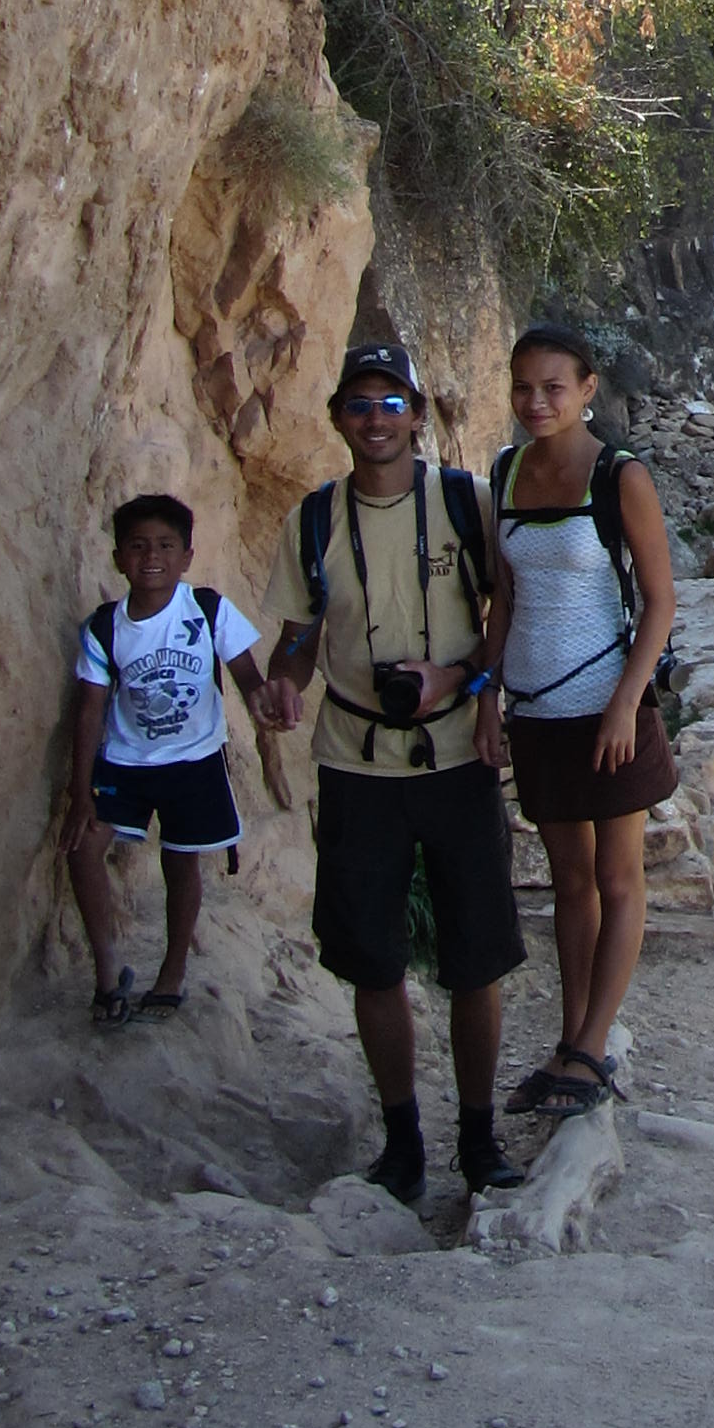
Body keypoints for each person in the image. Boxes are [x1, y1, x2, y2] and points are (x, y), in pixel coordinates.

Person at [255, 340, 526, 1204]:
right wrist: (284, 688)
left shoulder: (463, 502)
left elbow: (507, 607)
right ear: (336, 417)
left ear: (417, 414)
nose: (376, 421)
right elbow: (298, 636)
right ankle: (402, 1140)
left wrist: (469, 685)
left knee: (474, 958)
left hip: (454, 754)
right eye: (359, 405)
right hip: (355, 760)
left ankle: (477, 1140)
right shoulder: (311, 522)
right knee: (372, 960)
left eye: (391, 404)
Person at [480, 314, 678, 1125]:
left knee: (619, 877)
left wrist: (626, 703)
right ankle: (570, 1040)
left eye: (553, 387)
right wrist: (487, 697)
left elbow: (661, 600)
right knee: (568, 884)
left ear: (588, 391)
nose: (537, 401)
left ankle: (593, 1043)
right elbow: (504, 598)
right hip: (534, 708)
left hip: (605, 708)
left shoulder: (619, 475)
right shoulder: (506, 472)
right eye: (524, 388)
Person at [64, 494, 266, 1025]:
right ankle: (108, 977)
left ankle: (172, 972)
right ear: (117, 558)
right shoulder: (104, 629)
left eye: (165, 546)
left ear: (186, 556)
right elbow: (88, 712)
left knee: (181, 861)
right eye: (137, 546)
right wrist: (78, 791)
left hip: (193, 761)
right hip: (125, 760)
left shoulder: (206, 609)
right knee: (84, 849)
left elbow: (247, 675)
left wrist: (266, 707)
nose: (150, 556)